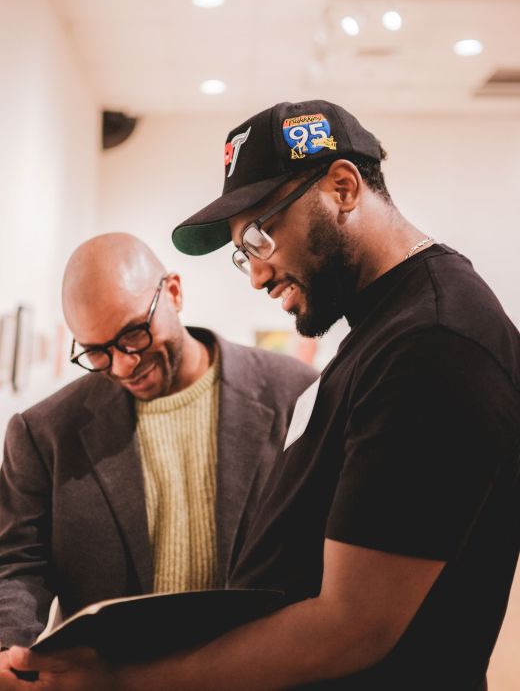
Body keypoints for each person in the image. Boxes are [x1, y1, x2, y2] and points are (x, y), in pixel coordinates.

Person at [1, 102, 519, 690]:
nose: (255, 274)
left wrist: (124, 681)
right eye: (242, 252)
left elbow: (353, 625)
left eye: (259, 235)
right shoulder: (384, 333)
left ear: (343, 187)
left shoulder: (434, 342)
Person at [0, 233, 317, 654]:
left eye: (134, 334)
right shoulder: (43, 432)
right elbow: (18, 564)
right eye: (96, 353)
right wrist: (8, 650)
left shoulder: (295, 393)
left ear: (173, 292)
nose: (123, 364)